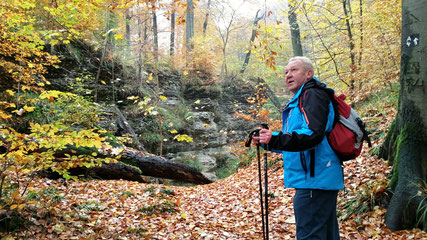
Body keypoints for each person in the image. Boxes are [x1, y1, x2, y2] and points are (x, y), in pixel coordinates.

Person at [252, 56, 343, 240]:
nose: (288, 75)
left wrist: (275, 140)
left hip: (314, 180)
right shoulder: (301, 99)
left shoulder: (312, 95)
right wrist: (269, 140)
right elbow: (297, 141)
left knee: (310, 236)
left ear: (308, 74)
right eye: (286, 72)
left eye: (294, 70)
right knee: (325, 235)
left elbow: (312, 135)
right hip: (316, 179)